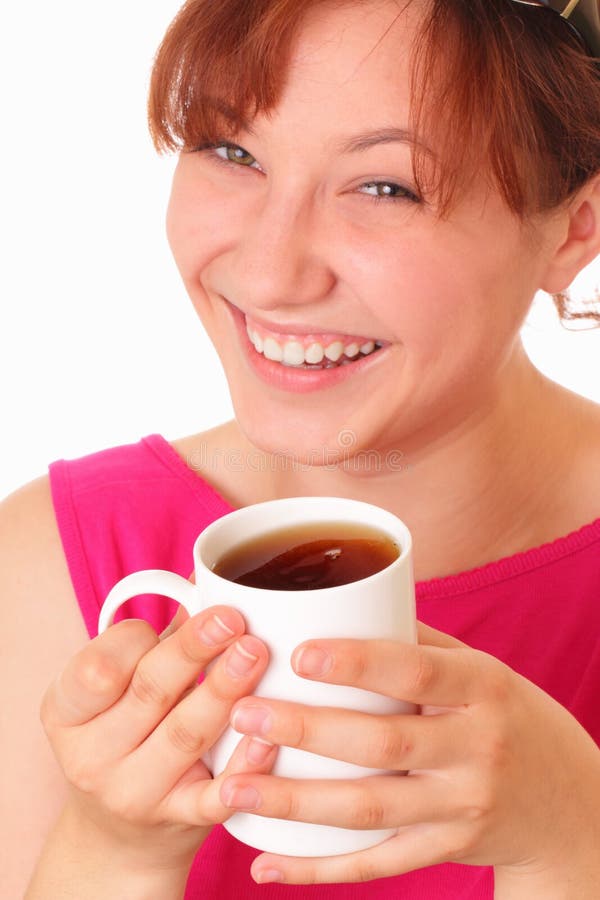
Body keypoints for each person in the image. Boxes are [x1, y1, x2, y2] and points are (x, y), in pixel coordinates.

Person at [3, 0, 600, 897]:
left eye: (386, 187)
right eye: (233, 152)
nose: (271, 273)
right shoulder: (55, 560)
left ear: (575, 228)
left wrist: (570, 836)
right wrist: (115, 848)